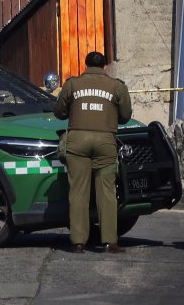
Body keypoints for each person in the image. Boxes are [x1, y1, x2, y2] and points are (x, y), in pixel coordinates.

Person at [53, 51, 132, 254]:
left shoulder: (72, 84)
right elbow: (125, 116)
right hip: (105, 142)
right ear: (105, 67)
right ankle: (109, 242)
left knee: (78, 192)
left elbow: (59, 112)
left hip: (77, 142)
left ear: (85, 65)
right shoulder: (117, 86)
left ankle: (78, 242)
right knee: (107, 192)